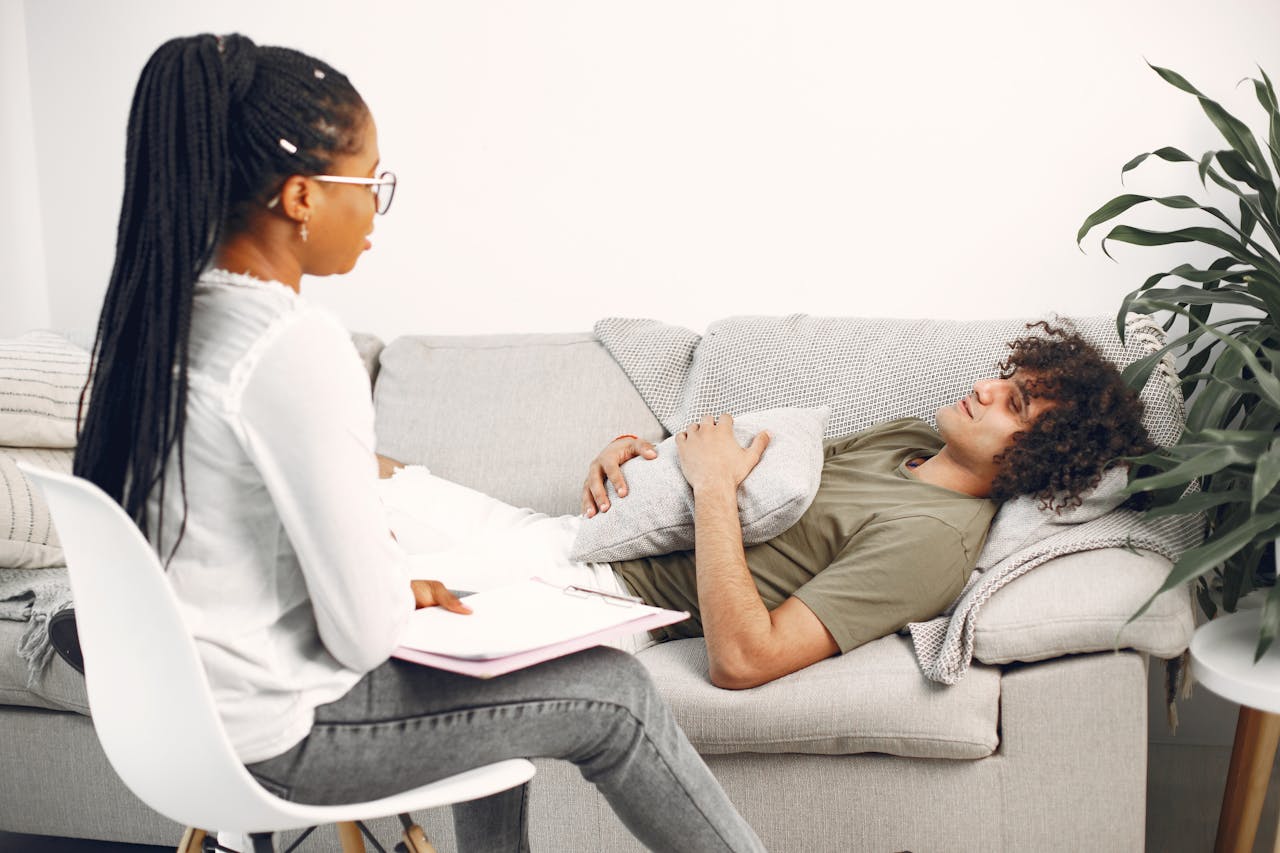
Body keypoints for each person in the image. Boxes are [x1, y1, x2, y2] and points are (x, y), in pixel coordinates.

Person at [73, 33, 766, 853]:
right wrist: (390, 594)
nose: (375, 208)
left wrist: (397, 585)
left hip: (179, 726)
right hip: (281, 736)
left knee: (505, 669)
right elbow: (362, 634)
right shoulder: (290, 347)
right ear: (302, 197)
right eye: (370, 183)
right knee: (615, 692)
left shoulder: (166, 322)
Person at [378, 322, 1152, 690]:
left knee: (348, 575)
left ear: (1039, 458)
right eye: (1004, 376)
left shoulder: (934, 542)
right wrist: (640, 455)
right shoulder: (909, 440)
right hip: (573, 540)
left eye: (1011, 401)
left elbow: (746, 659)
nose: (985, 387)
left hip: (590, 597)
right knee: (361, 475)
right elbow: (762, 487)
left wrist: (713, 485)